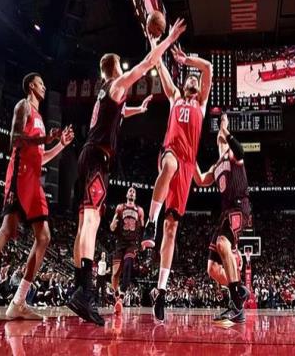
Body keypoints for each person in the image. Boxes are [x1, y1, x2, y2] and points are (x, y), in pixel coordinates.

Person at [68, 19, 186, 326]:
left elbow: (119, 114)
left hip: (87, 155)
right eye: (121, 66)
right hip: (98, 158)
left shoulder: (104, 95)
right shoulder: (117, 84)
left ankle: (78, 286)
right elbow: (147, 64)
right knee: (92, 221)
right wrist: (167, 40)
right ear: (116, 68)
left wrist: (138, 110)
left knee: (82, 223)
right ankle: (86, 292)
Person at [0, 73, 74, 321]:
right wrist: (45, 138)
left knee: (44, 237)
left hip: (34, 179)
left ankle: (18, 301)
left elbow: (41, 157)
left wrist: (60, 144)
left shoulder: (40, 118)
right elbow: (15, 140)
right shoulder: (24, 106)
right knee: (8, 229)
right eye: (41, 83)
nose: (44, 87)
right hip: (20, 174)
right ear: (31, 85)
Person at [141, 44, 212, 322]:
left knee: (171, 230)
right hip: (170, 153)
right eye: (189, 78)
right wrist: (156, 42)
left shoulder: (201, 104)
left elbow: (208, 67)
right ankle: (150, 222)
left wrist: (187, 59)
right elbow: (159, 65)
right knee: (169, 165)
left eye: (195, 79)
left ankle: (160, 290)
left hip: (187, 165)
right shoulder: (174, 97)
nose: (193, 79)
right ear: (183, 84)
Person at [193, 113, 251, 324]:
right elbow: (200, 180)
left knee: (222, 243)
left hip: (239, 207)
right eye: (218, 137)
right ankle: (240, 291)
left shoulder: (233, 155)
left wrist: (224, 128)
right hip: (225, 213)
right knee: (212, 269)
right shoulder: (216, 166)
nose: (220, 139)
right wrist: (190, 157)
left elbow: (241, 150)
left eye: (222, 137)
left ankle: (236, 304)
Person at [110, 187, 144, 315]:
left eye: (134, 191)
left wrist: (142, 242)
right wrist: (112, 225)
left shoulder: (139, 210)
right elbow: (112, 226)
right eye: (130, 190)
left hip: (132, 243)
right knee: (115, 273)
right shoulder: (120, 207)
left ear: (135, 196)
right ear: (126, 194)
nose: (132, 192)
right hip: (120, 243)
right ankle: (116, 296)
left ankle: (122, 297)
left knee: (128, 266)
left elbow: (143, 227)